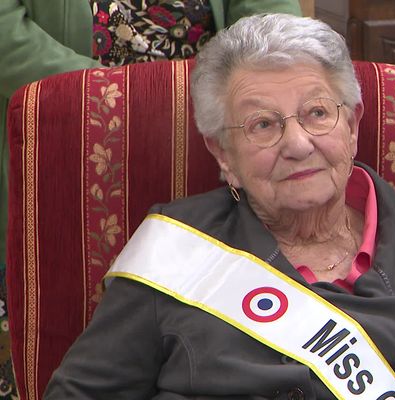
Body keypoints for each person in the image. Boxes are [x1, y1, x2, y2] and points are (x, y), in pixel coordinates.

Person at [43, 13, 395, 399]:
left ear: (352, 124)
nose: (298, 143)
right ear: (223, 154)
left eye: (317, 113)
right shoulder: (173, 251)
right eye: (262, 124)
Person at [0, 1, 301, 396]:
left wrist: (221, 98)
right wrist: (124, 101)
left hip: (211, 141)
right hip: (68, 146)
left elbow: (273, 22)